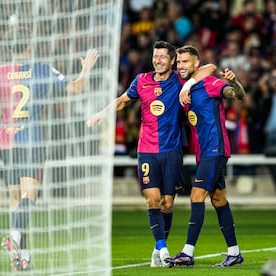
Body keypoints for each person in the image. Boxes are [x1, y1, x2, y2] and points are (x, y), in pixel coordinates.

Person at [0, 27, 98, 271]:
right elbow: (77, 88)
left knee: (15, 199)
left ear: (9, 48)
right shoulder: (42, 69)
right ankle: (15, 238)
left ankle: (21, 255)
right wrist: (86, 69)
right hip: (32, 140)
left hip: (6, 141)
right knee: (30, 196)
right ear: (29, 45)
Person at [86, 41, 216, 268]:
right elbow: (123, 100)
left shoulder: (179, 79)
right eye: (155, 56)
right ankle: (163, 248)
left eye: (162, 57)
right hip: (147, 150)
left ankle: (158, 249)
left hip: (172, 151)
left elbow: (210, 68)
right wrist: (101, 113)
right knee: (152, 200)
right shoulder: (142, 80)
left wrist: (187, 86)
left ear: (172, 60)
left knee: (167, 204)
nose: (157, 61)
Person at [172, 45, 246, 267]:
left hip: (215, 149)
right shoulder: (182, 85)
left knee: (196, 195)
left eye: (185, 62)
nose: (180, 66)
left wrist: (234, 81)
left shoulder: (210, 83)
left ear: (196, 63)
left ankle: (187, 252)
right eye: (179, 62)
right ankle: (234, 253)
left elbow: (238, 94)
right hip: (203, 153)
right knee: (218, 199)